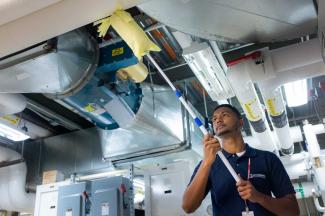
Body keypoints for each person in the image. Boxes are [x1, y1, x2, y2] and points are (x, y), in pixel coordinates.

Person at [182, 104, 299, 216]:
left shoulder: (268, 159)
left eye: (225, 115)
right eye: (214, 119)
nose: (218, 120)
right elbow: (188, 207)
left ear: (240, 122)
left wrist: (259, 197)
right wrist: (206, 163)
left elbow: (293, 211)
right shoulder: (209, 163)